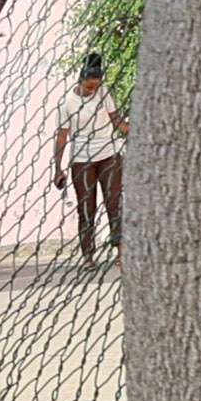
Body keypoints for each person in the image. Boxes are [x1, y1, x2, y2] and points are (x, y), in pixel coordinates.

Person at [53, 48, 126, 265]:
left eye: (96, 86)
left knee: (114, 203)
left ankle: (121, 252)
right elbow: (62, 136)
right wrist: (58, 167)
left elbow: (117, 121)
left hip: (108, 153)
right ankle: (88, 255)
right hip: (82, 158)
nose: (93, 90)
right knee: (87, 207)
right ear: (81, 81)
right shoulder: (67, 102)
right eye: (89, 87)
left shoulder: (104, 93)